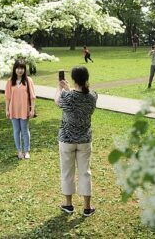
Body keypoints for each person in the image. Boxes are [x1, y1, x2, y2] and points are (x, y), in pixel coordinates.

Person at [54, 66, 97, 217]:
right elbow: (82, 94)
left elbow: (58, 102)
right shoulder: (93, 96)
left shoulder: (68, 96)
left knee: (67, 172)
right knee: (85, 172)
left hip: (67, 139)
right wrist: (68, 89)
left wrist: (60, 88)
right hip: (84, 139)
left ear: (73, 79)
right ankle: (87, 207)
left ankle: (68, 204)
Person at [5, 60, 36, 159]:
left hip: (24, 109)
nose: (20, 70)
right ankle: (19, 151)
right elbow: (7, 97)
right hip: (13, 109)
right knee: (16, 131)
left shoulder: (28, 80)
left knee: (25, 130)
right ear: (14, 69)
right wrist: (7, 110)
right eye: (18, 68)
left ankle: (26, 151)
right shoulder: (10, 81)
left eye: (22, 68)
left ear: (24, 69)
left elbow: (32, 97)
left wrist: (32, 110)